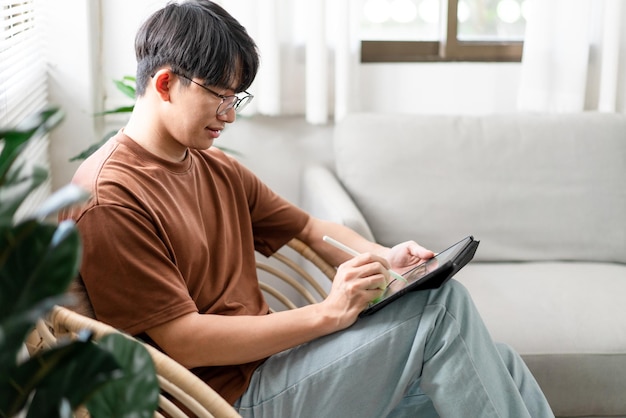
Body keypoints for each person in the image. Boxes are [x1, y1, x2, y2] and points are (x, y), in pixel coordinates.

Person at [62, 1, 554, 417]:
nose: (230, 115)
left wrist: (386, 257)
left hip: (276, 370)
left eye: (237, 98)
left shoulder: (214, 168)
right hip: (224, 402)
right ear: (166, 84)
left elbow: (312, 228)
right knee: (443, 313)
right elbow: (183, 341)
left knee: (499, 361)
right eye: (219, 96)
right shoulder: (109, 198)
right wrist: (329, 314)